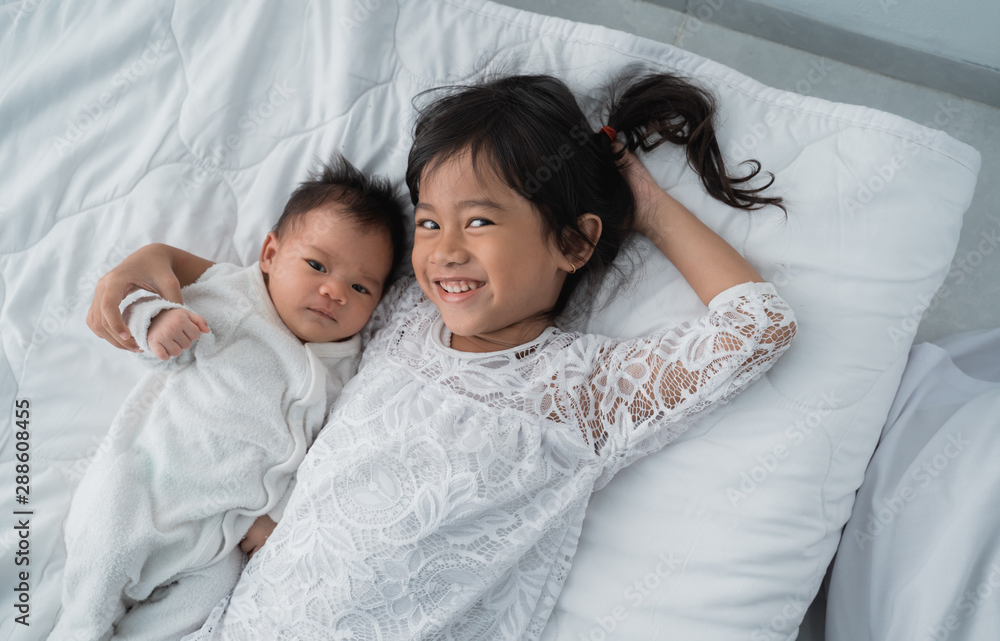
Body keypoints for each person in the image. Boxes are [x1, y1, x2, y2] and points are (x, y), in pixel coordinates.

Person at [87, 70, 798, 639]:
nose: (444, 250)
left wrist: (646, 206)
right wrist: (157, 261)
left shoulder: (582, 390)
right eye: (428, 222)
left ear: (574, 242)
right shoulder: (399, 316)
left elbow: (757, 325)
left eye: (479, 220)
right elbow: (285, 288)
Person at [53, 155, 407, 641]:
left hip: (219, 533)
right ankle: (78, 628)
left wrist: (275, 516)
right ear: (270, 254)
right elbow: (139, 303)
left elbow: (325, 458)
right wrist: (156, 323)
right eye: (316, 265)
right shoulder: (234, 297)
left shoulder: (346, 368)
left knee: (208, 595)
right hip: (145, 489)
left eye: (360, 287)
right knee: (106, 554)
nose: (333, 291)